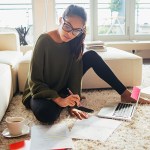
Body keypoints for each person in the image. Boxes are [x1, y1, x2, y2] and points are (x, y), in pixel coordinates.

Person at [22, 5, 150, 124]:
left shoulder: (75, 40)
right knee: (47, 115)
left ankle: (125, 94)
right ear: (61, 20)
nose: (70, 33)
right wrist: (59, 100)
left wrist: (74, 104)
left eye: (76, 30)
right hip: (41, 91)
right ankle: (63, 98)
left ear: (82, 30)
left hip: (62, 85)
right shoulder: (44, 41)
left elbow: (74, 74)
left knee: (91, 56)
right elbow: (35, 82)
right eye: (67, 26)